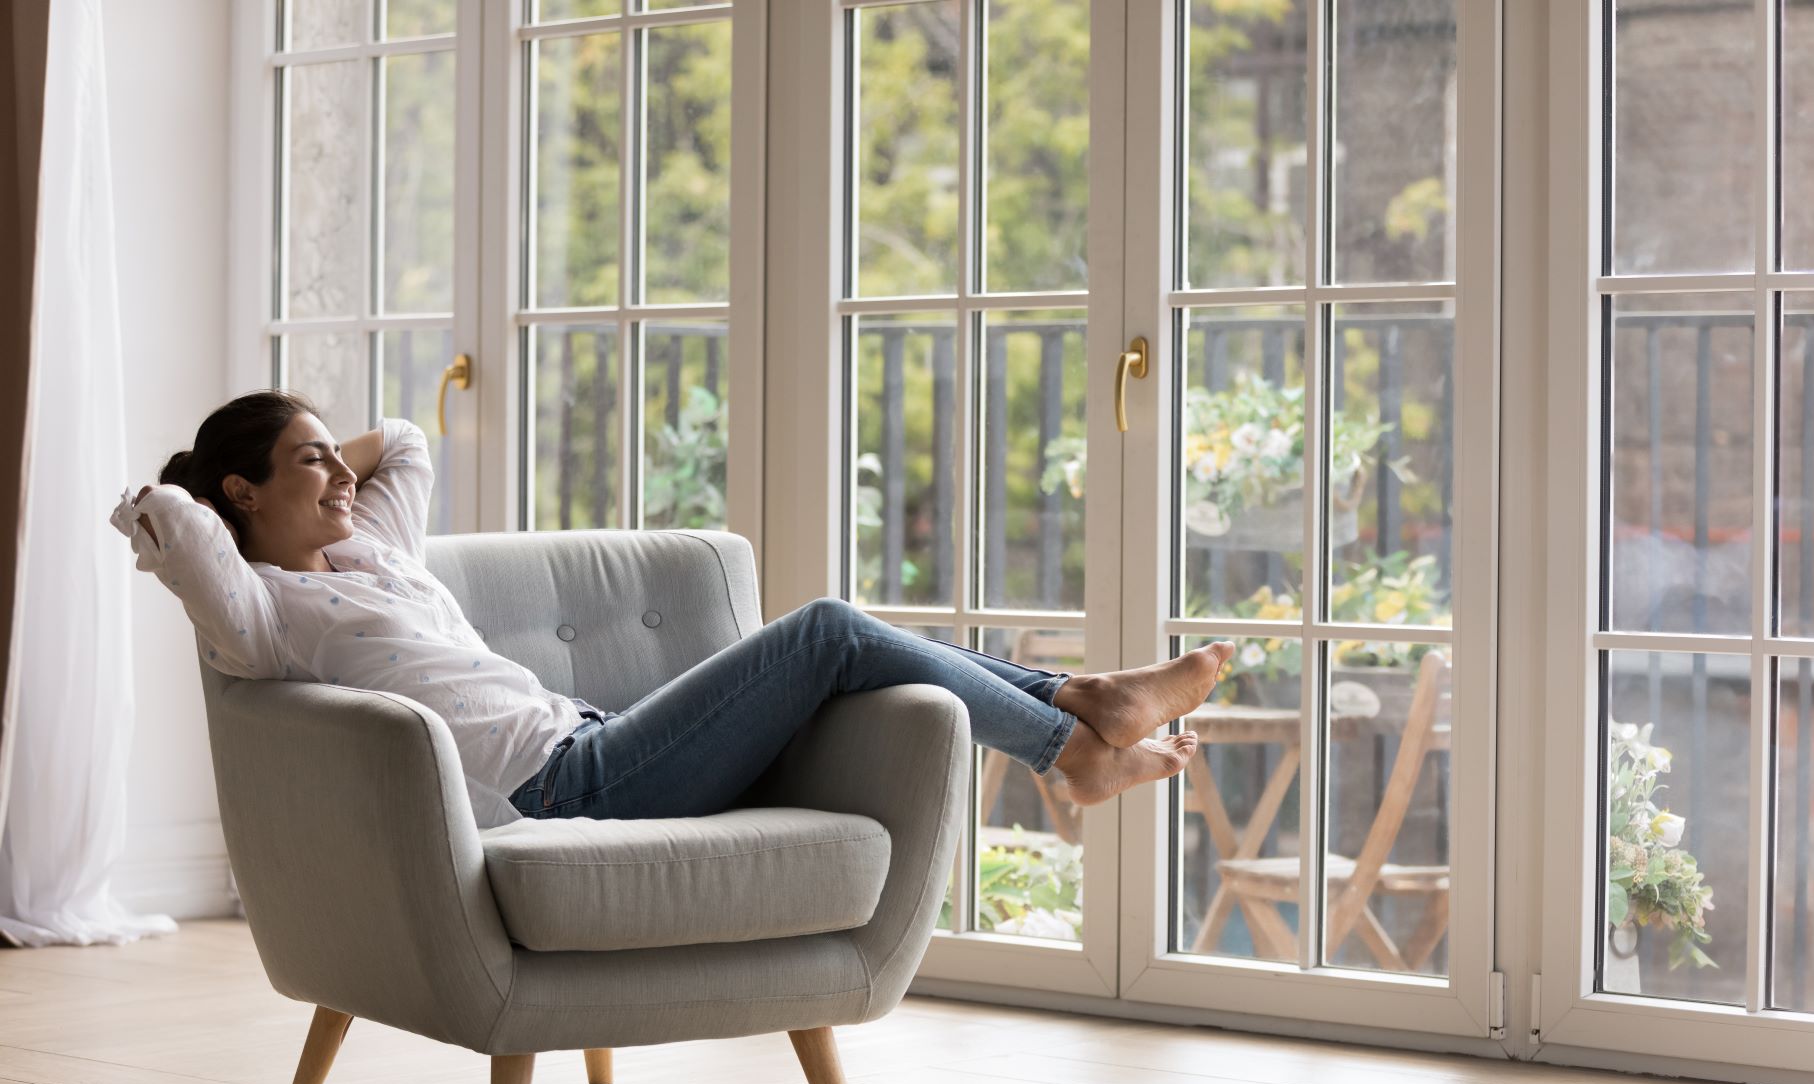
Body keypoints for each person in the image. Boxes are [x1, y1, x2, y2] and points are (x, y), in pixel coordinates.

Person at [111, 389, 1229, 829]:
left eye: (331, 458)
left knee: (844, 651)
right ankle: (1070, 731)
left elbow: (401, 437)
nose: (342, 475)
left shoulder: (375, 553)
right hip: (566, 788)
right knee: (830, 628)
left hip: (593, 739)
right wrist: (233, 487)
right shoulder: (262, 612)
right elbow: (167, 517)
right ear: (243, 495)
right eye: (308, 465)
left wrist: (314, 461)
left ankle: (1079, 709)